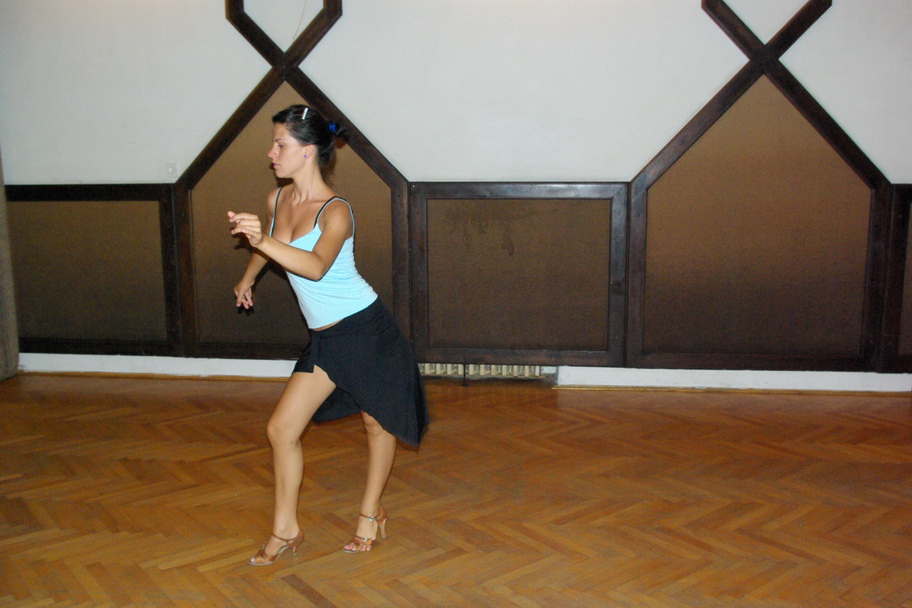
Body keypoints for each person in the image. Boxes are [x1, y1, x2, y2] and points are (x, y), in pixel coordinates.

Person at [229, 104, 428, 566]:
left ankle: (370, 514)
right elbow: (274, 244)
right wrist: (248, 275)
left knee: (377, 423)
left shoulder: (337, 212)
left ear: (308, 151)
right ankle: (285, 529)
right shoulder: (277, 199)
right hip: (325, 339)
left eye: (280, 144)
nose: (271, 152)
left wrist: (261, 241)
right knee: (281, 429)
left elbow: (315, 266)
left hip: (364, 330)